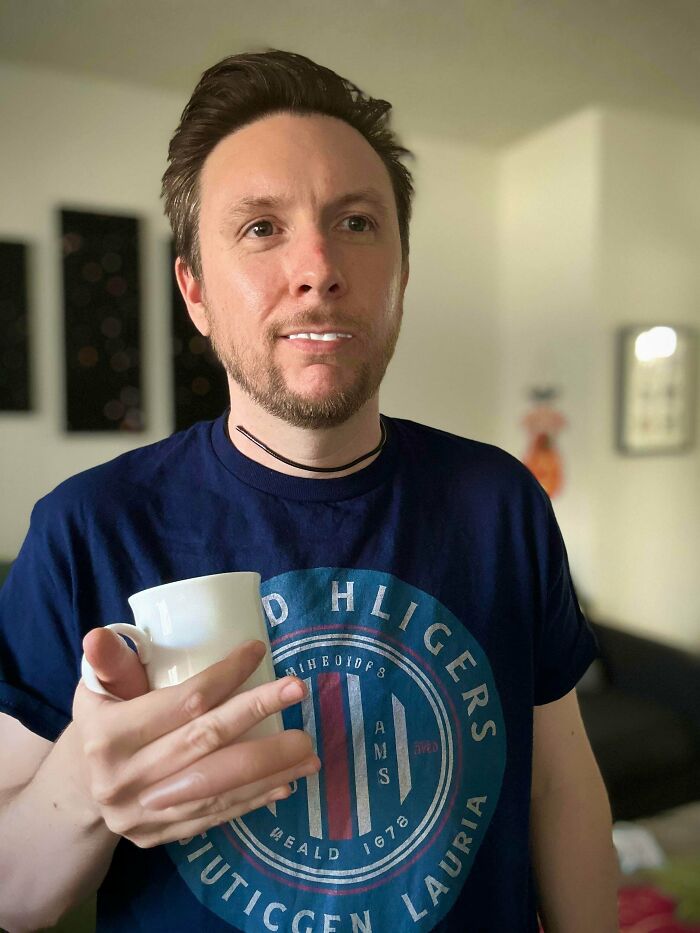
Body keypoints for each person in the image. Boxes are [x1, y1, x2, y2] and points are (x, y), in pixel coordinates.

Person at [0, 50, 618, 933]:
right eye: (261, 228)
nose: (319, 265)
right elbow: (13, 896)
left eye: (357, 222)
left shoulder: (500, 503)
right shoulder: (86, 527)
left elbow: (559, 787)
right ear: (194, 290)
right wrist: (83, 789)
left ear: (402, 272)